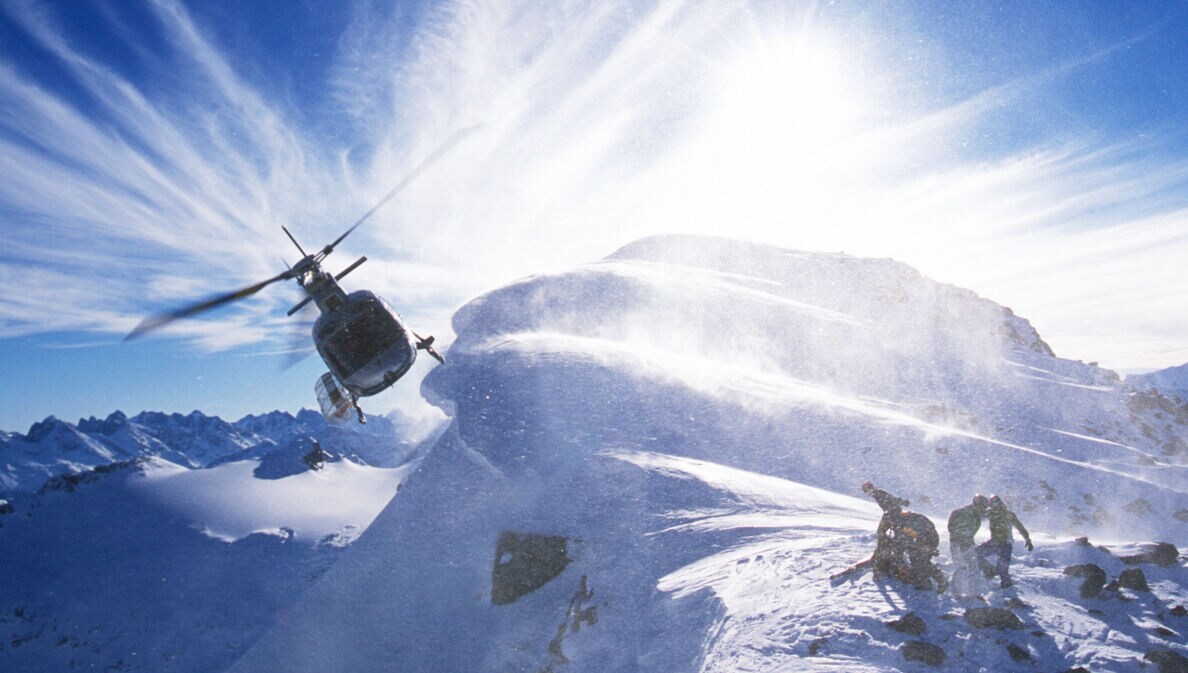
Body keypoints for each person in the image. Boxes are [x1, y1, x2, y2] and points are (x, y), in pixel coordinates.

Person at [862, 482, 946, 592]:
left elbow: (915, 535)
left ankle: (940, 581)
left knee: (919, 560)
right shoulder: (899, 519)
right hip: (924, 538)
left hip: (927, 539)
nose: (867, 492)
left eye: (867, 489)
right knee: (916, 558)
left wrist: (926, 548)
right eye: (865, 490)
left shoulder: (904, 522)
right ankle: (926, 582)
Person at [975, 495, 1033, 589]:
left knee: (1003, 570)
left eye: (996, 503)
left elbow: (1020, 527)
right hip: (993, 543)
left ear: (1000, 503)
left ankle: (1007, 592)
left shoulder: (1008, 514)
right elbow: (979, 515)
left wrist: (1028, 539)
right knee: (975, 554)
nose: (995, 505)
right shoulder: (991, 514)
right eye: (992, 504)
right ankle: (989, 570)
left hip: (1006, 544)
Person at [947, 494, 989, 598]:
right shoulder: (962, 513)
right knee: (960, 568)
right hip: (958, 544)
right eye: (983, 506)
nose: (984, 509)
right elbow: (952, 527)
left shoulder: (976, 516)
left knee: (973, 568)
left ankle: (974, 594)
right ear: (977, 504)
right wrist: (962, 540)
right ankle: (957, 593)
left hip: (968, 544)